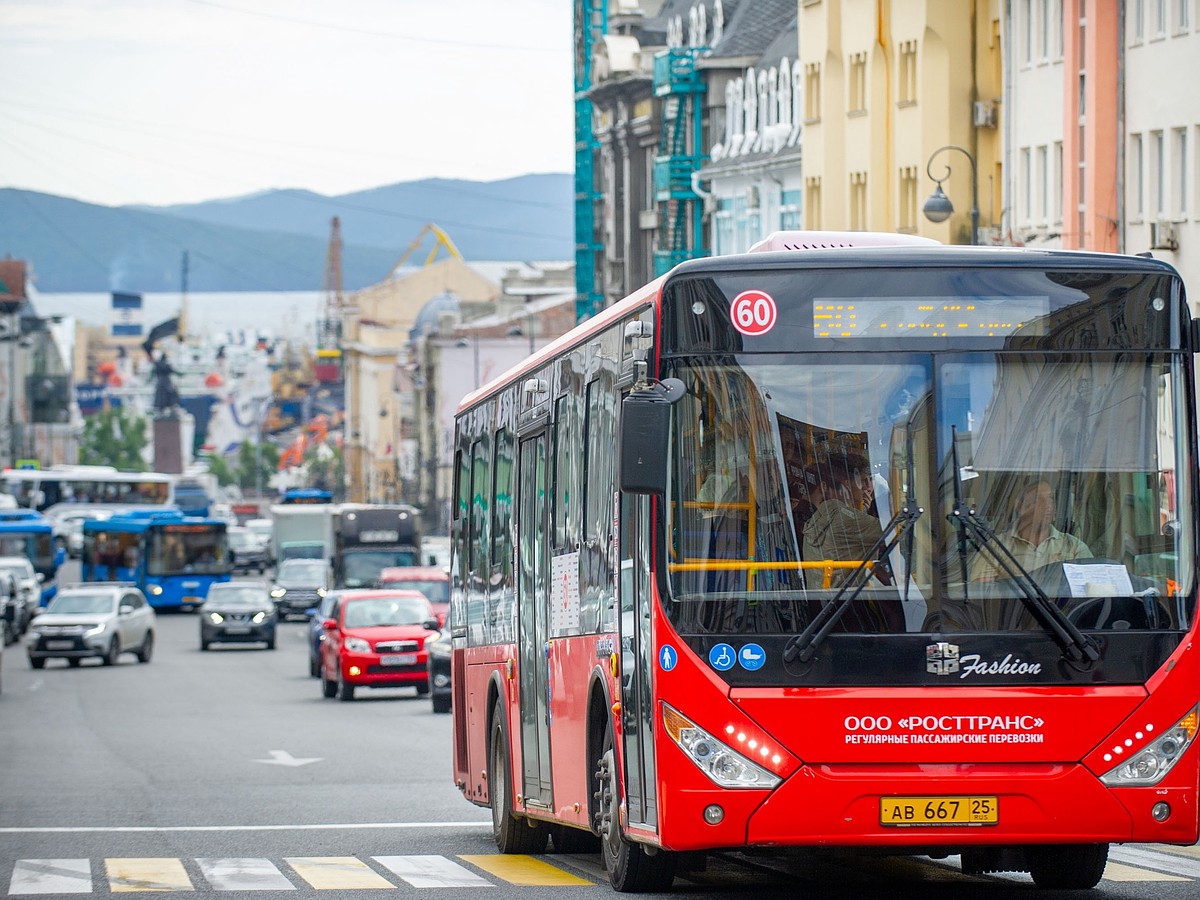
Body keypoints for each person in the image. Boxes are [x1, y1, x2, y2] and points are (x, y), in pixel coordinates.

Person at [970, 478, 1092, 581]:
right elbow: (979, 592)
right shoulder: (997, 547)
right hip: (1013, 609)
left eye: (1050, 498)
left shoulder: (1073, 546)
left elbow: (1093, 587)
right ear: (1020, 505)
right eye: (1038, 499)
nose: (1047, 505)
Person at [802, 455, 891, 589]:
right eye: (863, 481)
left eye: (870, 480)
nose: (868, 486)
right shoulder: (845, 518)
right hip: (849, 602)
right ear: (847, 484)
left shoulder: (824, 512)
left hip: (824, 599)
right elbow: (894, 532)